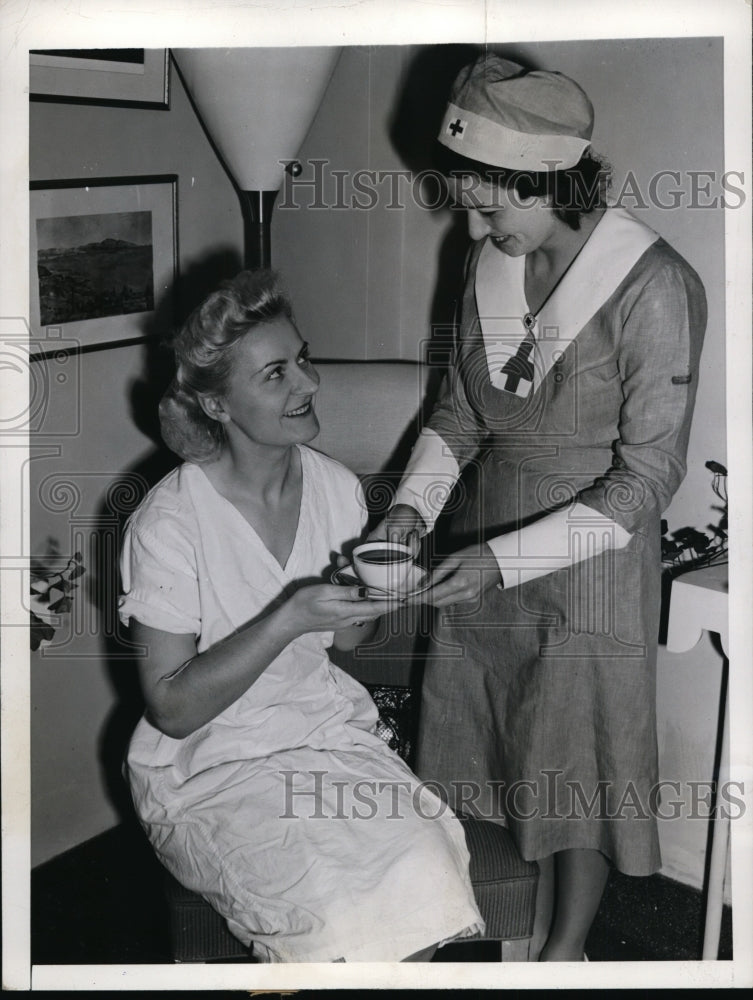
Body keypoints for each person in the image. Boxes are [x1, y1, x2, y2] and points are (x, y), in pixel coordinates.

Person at [373, 55, 707, 961]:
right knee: (495, 746)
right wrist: (411, 508)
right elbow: (457, 411)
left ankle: (564, 954)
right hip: (482, 535)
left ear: (550, 179)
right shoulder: (486, 258)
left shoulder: (653, 286)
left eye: (492, 205)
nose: (472, 225)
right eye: (469, 203)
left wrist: (498, 559)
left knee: (571, 768)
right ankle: (499, 926)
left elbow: (644, 479)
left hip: (590, 560)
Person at [118, 270, 484, 963]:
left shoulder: (335, 488)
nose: (309, 384)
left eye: (304, 359)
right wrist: (287, 617)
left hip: (322, 736)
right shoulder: (169, 522)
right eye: (276, 375)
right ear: (218, 406)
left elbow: (349, 637)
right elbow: (170, 708)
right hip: (211, 769)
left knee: (423, 871)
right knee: (334, 917)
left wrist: (380, 596)